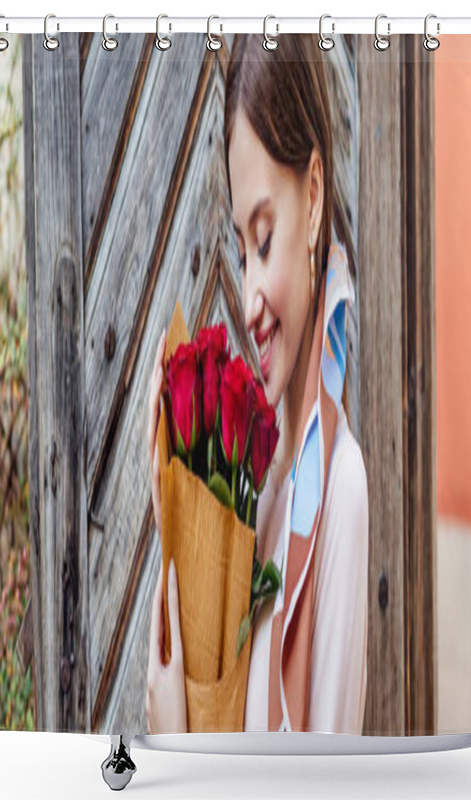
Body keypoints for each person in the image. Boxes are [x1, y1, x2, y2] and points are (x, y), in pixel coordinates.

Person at [145, 34, 369, 735]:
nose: (246, 302)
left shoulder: (340, 493)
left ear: (314, 195)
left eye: (264, 241)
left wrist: (177, 740)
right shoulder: (260, 486)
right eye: (241, 251)